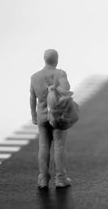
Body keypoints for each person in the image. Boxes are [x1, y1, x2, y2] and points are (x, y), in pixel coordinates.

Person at [30, 49, 72, 189]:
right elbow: (66, 88)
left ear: (44, 59)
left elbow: (32, 98)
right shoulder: (60, 73)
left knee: (43, 147)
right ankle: (60, 178)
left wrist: (33, 115)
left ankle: (43, 179)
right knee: (59, 146)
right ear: (57, 59)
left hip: (42, 116)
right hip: (57, 115)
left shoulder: (35, 77)